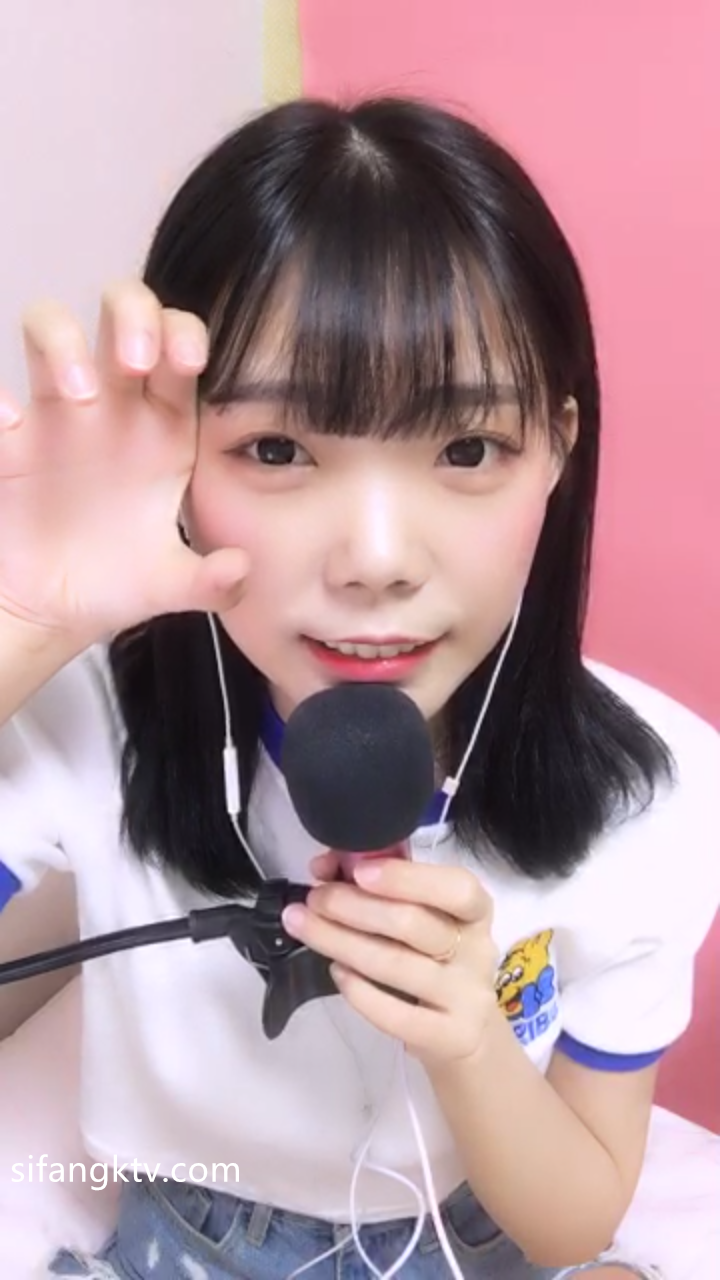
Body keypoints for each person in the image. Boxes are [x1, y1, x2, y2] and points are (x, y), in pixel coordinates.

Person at [0, 96, 717, 1280]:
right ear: (180, 451)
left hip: (473, 1235)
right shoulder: (91, 719)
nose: (376, 557)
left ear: (557, 446)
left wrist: (472, 1042)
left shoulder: (656, 789)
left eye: (467, 449)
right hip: (193, 1234)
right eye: (278, 450)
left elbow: (574, 1218)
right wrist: (21, 627)